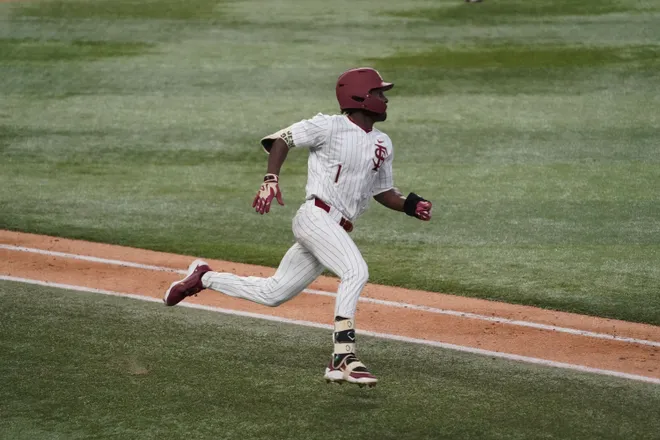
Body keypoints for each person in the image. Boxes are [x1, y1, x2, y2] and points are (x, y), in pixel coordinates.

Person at [163, 67, 432, 388]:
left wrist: (410, 205)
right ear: (360, 97)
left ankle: (203, 277)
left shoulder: (383, 143)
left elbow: (383, 192)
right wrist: (270, 179)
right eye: (379, 93)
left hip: (336, 230)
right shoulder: (329, 126)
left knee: (273, 293)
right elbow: (282, 139)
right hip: (315, 217)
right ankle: (343, 356)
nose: (385, 99)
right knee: (355, 270)